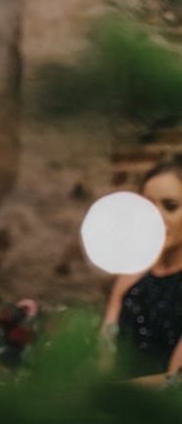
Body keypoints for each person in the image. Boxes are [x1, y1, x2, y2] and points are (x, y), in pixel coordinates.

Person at [103, 158, 182, 379]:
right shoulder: (133, 270)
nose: (155, 217)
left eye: (170, 206)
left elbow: (175, 379)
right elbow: (105, 346)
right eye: (148, 206)